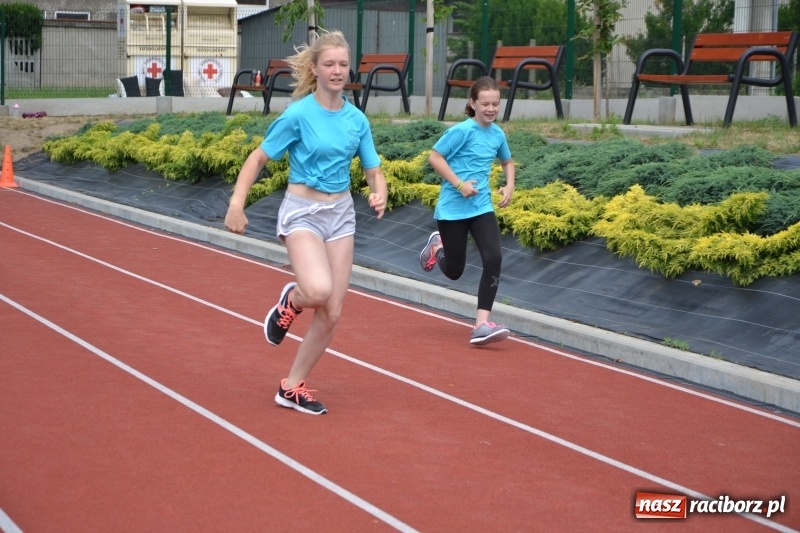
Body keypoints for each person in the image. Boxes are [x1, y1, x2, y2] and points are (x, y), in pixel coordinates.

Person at [224, 30, 387, 415]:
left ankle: (291, 386)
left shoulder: (357, 120)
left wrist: (379, 191)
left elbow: (373, 170)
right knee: (316, 290)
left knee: (332, 311)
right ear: (315, 68)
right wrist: (236, 204)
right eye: (329, 64)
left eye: (343, 64)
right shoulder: (298, 114)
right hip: (302, 211)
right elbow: (258, 158)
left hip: (341, 215)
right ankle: (292, 300)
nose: (337, 71)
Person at [419, 76, 516, 346]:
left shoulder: (497, 134)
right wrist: (459, 184)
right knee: (454, 271)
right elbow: (434, 157)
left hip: (481, 206)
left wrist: (509, 185)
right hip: (452, 210)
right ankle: (437, 247)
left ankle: (481, 324)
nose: (491, 109)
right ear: (472, 103)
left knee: (494, 258)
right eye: (485, 104)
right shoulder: (462, 131)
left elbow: (507, 162)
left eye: (495, 104)